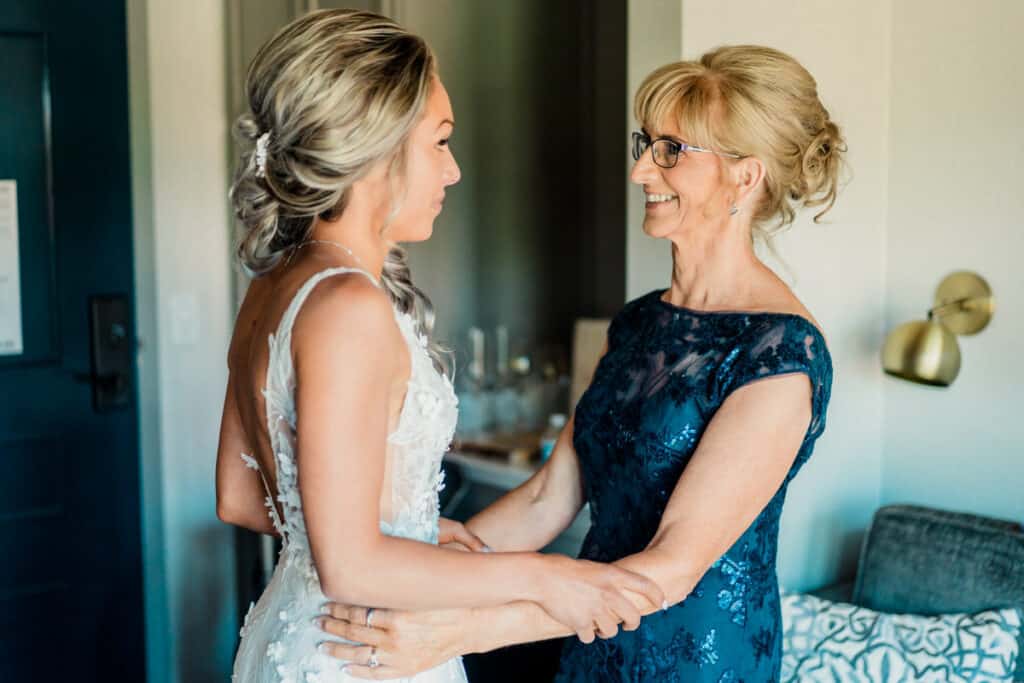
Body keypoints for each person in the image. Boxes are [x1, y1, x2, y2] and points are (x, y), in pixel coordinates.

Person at [319, 44, 842, 682]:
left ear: (745, 176)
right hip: (591, 639)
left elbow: (669, 567)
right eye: (645, 143)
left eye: (672, 150)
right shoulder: (638, 323)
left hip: (695, 657)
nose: (642, 171)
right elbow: (547, 497)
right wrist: (436, 568)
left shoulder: (780, 357)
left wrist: (461, 629)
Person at [215, 9, 664, 683]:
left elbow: (239, 497)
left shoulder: (273, 284)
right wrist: (545, 577)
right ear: (378, 145)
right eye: (440, 143)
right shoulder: (347, 307)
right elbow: (350, 565)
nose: (453, 172)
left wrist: (412, 538)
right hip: (360, 656)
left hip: (295, 633)